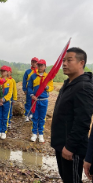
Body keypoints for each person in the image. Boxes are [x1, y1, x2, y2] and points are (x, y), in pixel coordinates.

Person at [51, 47, 93, 183]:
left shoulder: (83, 87)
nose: (64, 64)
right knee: (66, 178)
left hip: (71, 148)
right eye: (63, 60)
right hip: (62, 144)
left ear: (81, 63)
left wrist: (70, 147)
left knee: (72, 180)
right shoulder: (69, 83)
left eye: (69, 60)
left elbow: (83, 120)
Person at [28, 59, 53, 142]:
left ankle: (41, 134)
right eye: (39, 65)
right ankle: (34, 133)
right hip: (35, 100)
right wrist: (31, 95)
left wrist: (47, 87)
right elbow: (29, 87)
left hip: (44, 100)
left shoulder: (48, 77)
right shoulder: (33, 76)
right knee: (35, 117)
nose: (40, 67)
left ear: (45, 66)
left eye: (42, 65)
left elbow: (51, 87)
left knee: (42, 118)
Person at [0, 65, 13, 139]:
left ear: (7, 72)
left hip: (6, 102)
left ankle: (4, 131)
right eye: (1, 71)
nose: (2, 72)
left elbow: (10, 93)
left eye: (4, 71)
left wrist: (4, 99)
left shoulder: (10, 81)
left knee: (5, 117)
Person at [22, 57, 38, 122]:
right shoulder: (28, 72)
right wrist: (24, 89)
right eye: (33, 62)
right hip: (29, 89)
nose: (34, 63)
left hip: (36, 89)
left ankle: (32, 114)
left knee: (34, 102)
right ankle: (27, 115)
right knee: (28, 102)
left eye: (35, 62)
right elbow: (24, 81)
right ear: (31, 63)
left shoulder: (38, 72)